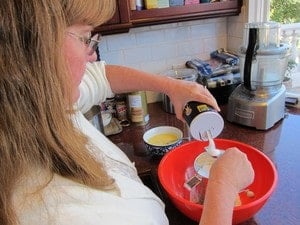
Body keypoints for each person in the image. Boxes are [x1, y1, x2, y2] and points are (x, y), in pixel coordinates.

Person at [0, 1, 254, 225]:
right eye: (85, 37)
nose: (91, 56)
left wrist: (174, 86)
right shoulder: (58, 212)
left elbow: (99, 75)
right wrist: (223, 187)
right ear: (34, 51)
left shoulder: (47, 103)